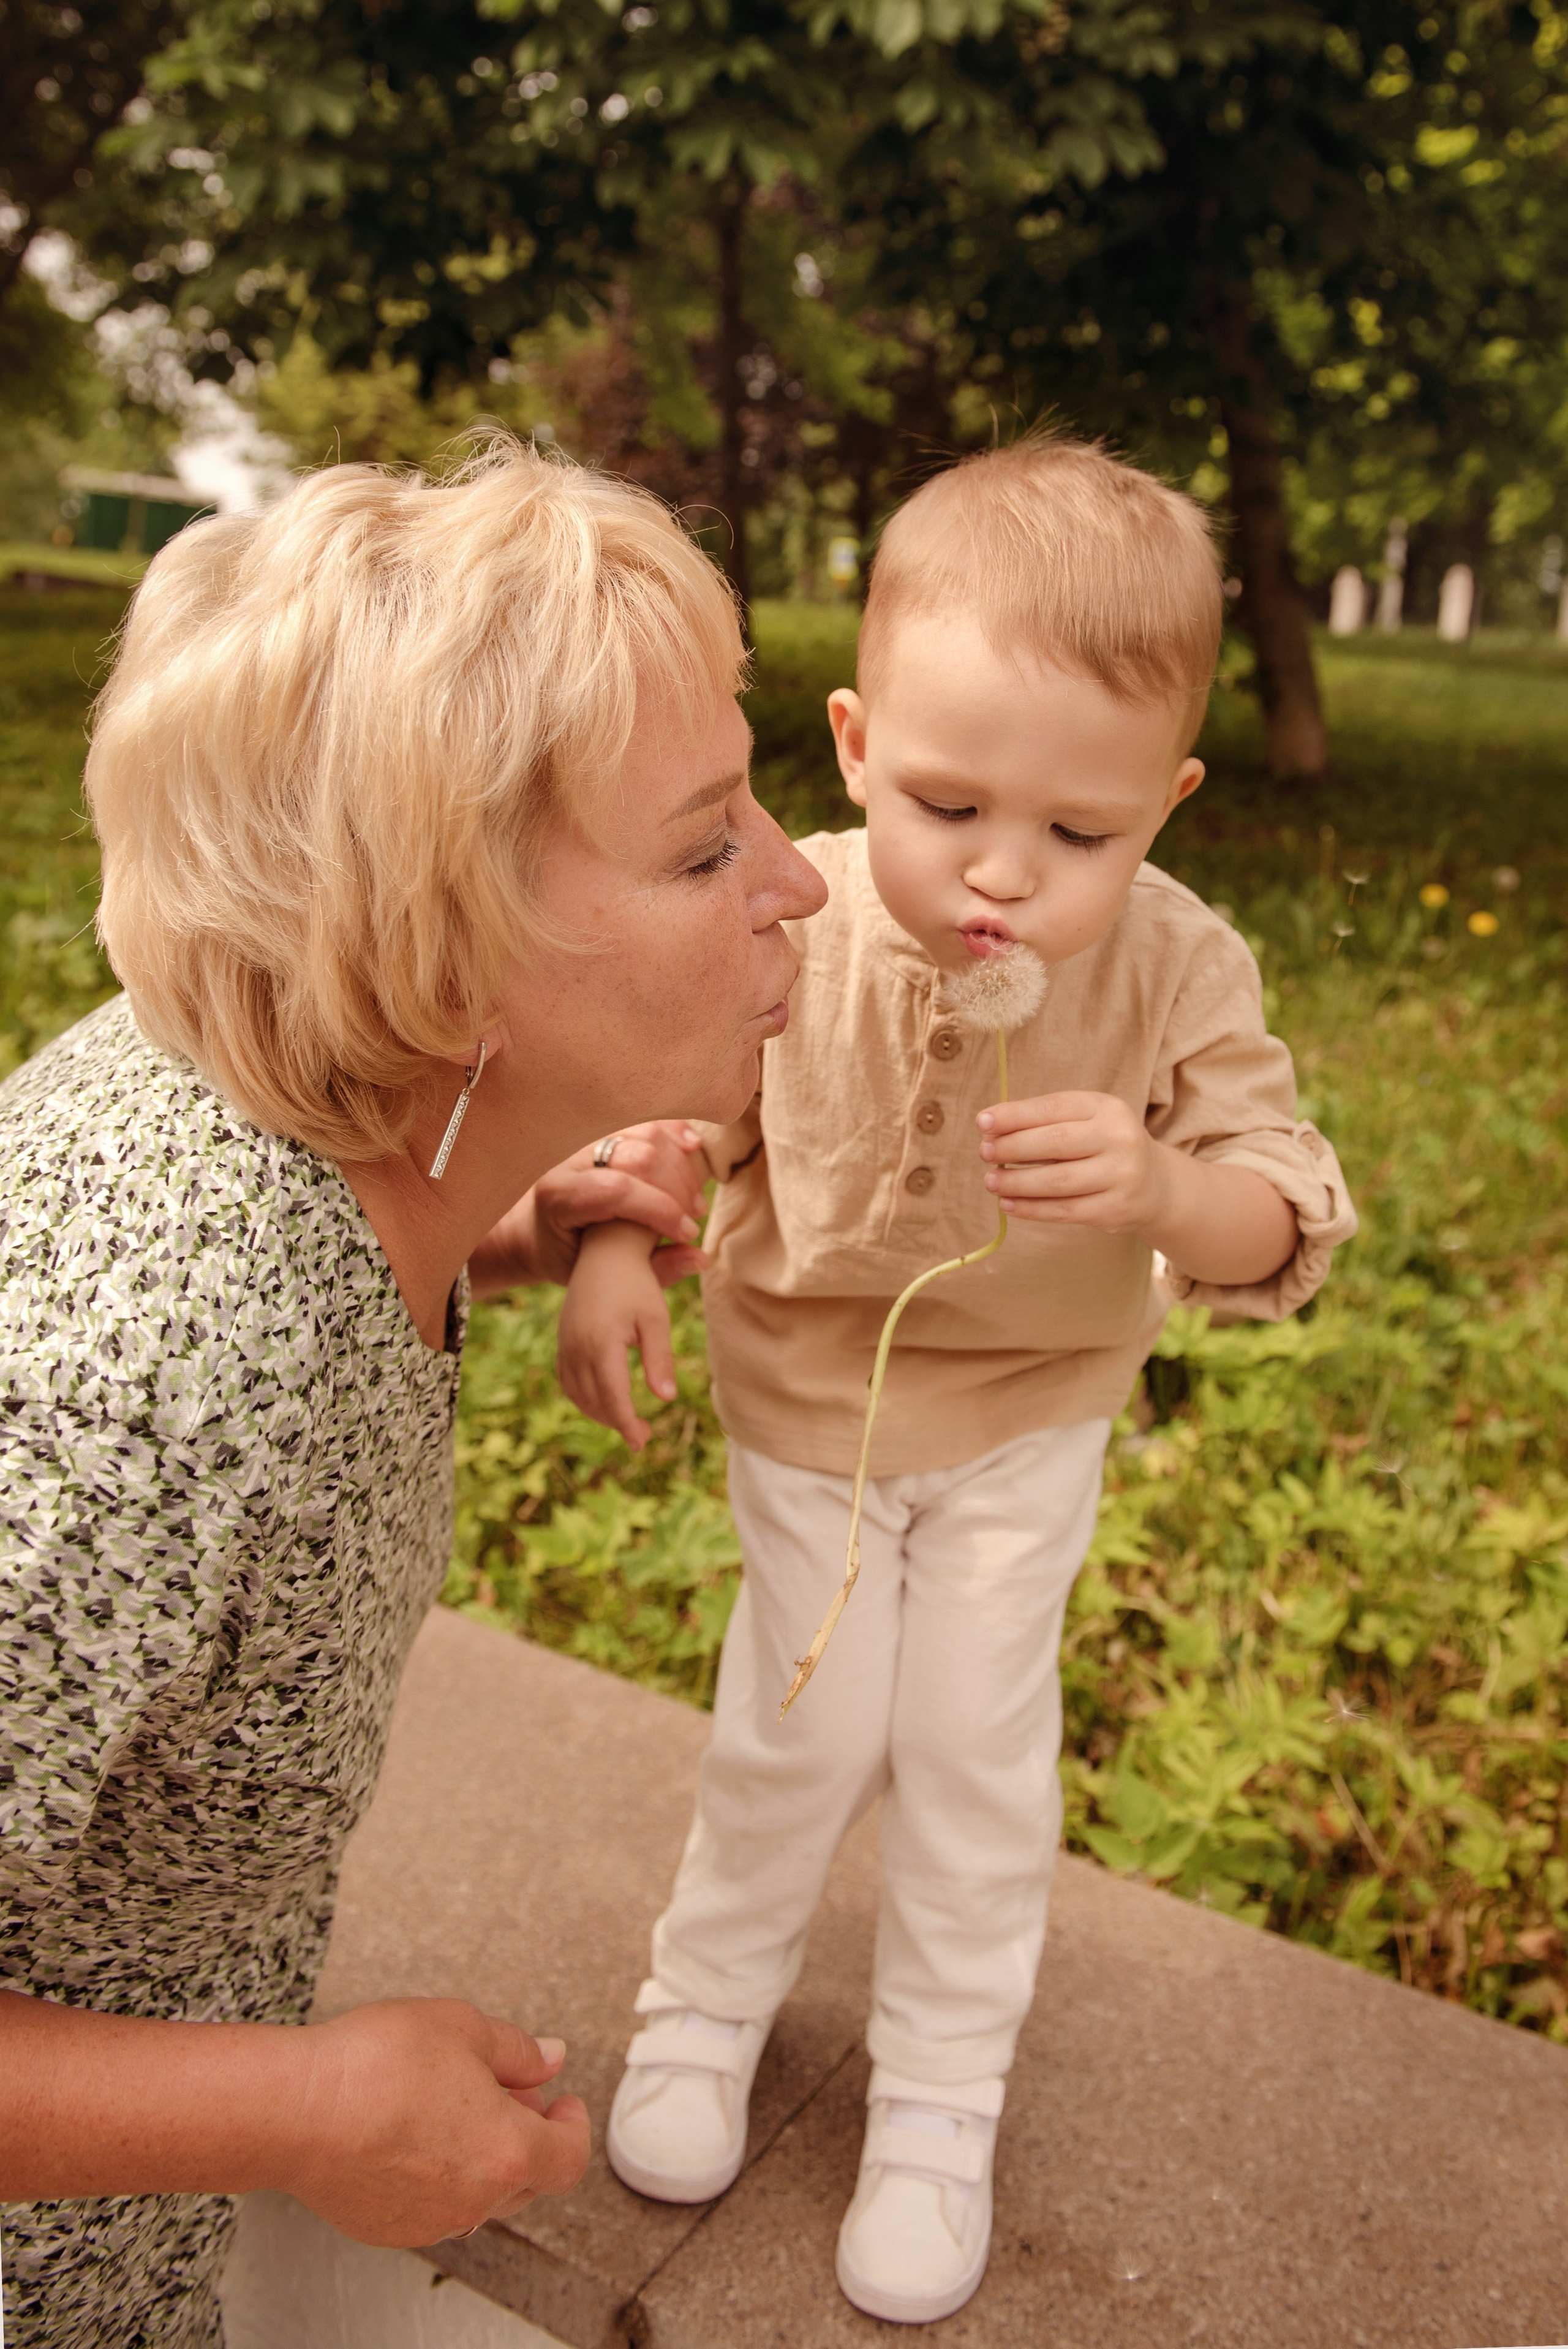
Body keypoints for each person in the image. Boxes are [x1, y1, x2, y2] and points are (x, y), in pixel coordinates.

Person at [0, 439, 827, 2349]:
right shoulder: (156, 1373)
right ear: (443, 958)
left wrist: (500, 1224)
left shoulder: (286, 1082)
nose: (795, 876)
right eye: (704, 846)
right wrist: (303, 2111)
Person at [557, 436, 1359, 2325]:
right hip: (805, 1402)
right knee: (807, 1725)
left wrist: (1171, 1188)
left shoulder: (1176, 969)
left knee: (975, 1759)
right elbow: (680, 1116)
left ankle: (934, 2097)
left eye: (1079, 836)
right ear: (852, 746)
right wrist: (612, 1238)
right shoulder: (793, 917)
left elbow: (1284, 1209)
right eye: (946, 801)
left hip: (1026, 1414)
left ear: (1162, 804)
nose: (1004, 873)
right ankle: (705, 2008)